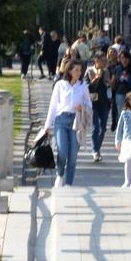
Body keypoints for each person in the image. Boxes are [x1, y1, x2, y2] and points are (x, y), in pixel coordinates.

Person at [40, 58, 90, 188]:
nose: (79, 73)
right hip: (61, 120)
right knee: (62, 150)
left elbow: (89, 104)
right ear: (69, 70)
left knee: (73, 155)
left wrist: (82, 106)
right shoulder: (60, 85)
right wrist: (47, 126)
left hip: (76, 121)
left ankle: (68, 183)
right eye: (76, 70)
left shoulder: (83, 86)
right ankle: (60, 174)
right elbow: (53, 106)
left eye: (80, 70)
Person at [85, 55, 114, 162]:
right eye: (103, 61)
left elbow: (109, 86)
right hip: (93, 102)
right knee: (95, 127)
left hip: (104, 102)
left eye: (105, 61)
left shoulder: (106, 71)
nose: (105, 63)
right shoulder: (89, 71)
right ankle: (95, 150)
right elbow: (86, 87)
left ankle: (97, 148)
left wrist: (108, 83)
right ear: (96, 61)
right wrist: (96, 79)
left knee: (102, 128)